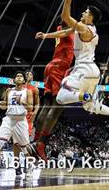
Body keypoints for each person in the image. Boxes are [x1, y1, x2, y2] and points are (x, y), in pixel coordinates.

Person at [52, 0, 109, 117]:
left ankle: (86, 96)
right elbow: (64, 32)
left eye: (86, 12)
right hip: (92, 72)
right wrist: (46, 35)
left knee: (61, 97)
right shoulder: (88, 29)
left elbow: (65, 16)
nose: (83, 13)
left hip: (84, 69)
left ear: (91, 18)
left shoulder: (84, 28)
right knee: (89, 107)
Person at [32, 18, 75, 160]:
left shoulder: (62, 30)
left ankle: (35, 140)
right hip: (59, 67)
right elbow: (67, 27)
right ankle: (41, 144)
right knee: (57, 107)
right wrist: (45, 35)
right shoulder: (67, 30)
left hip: (51, 66)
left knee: (46, 106)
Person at [0, 71, 33, 179]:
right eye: (17, 76)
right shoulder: (9, 90)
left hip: (21, 120)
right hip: (9, 119)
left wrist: (21, 101)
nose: (19, 77)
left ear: (24, 80)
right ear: (14, 80)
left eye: (21, 76)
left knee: (25, 149)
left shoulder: (27, 91)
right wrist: (2, 104)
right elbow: (5, 105)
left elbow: (30, 108)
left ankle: (30, 167)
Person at [13, 70, 39, 175]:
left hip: (28, 118)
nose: (29, 75)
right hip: (17, 116)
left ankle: (27, 165)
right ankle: (17, 166)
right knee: (15, 143)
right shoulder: (18, 89)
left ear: (33, 77)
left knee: (25, 143)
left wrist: (35, 113)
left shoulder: (35, 89)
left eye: (31, 74)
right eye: (27, 74)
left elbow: (37, 104)